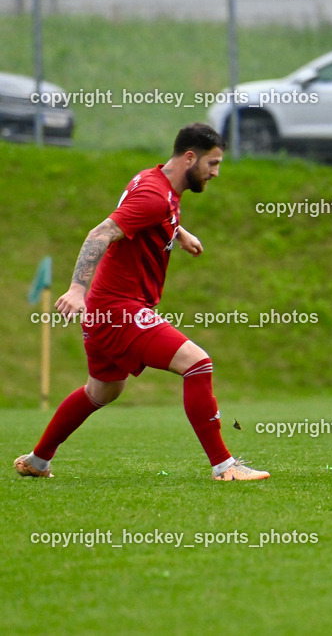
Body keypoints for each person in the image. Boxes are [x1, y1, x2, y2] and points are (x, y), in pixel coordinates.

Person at [14, 123, 269, 481]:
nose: (215, 172)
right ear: (190, 157)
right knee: (198, 364)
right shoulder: (153, 195)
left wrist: (177, 231)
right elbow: (100, 234)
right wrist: (76, 290)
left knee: (101, 391)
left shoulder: (156, 182)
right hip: (119, 309)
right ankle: (225, 467)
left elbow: (150, 213)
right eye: (212, 163)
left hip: (110, 308)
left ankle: (38, 461)